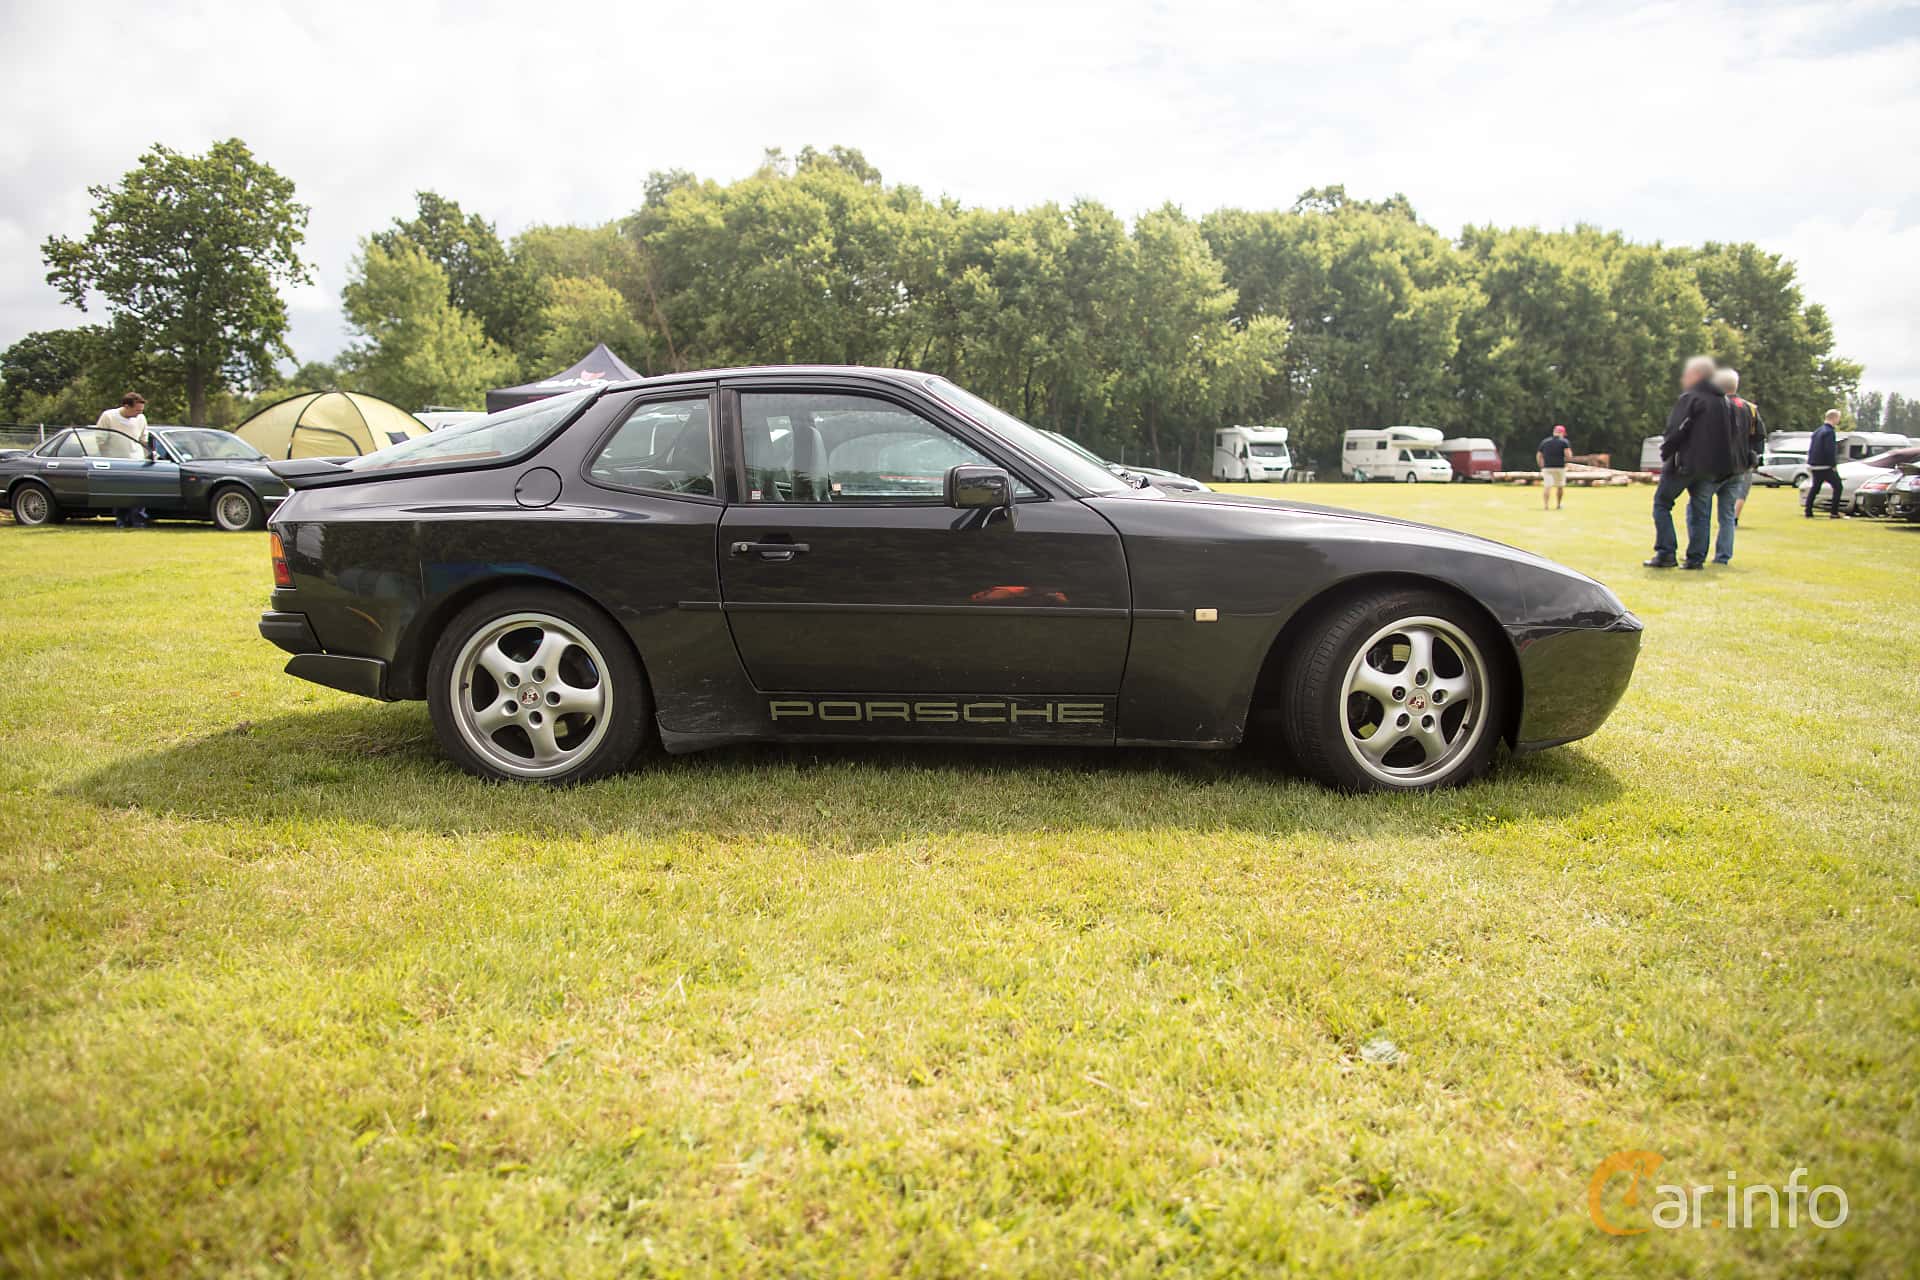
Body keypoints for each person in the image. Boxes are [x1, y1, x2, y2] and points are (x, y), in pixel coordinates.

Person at [1646, 356, 1740, 570]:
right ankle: (1696, 558)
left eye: (1687, 374)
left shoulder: (1691, 398)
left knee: (1662, 503)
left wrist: (1667, 453)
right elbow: (1732, 436)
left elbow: (1676, 429)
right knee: (1701, 512)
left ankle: (1666, 552)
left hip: (1685, 464)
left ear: (1697, 375)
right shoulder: (1724, 403)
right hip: (1711, 468)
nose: (1684, 378)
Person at [1710, 368, 1762, 564]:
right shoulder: (1750, 408)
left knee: (1699, 510)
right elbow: (1759, 438)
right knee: (1728, 514)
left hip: (1714, 467)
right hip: (1740, 467)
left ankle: (1696, 554)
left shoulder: (1713, 406)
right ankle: (1723, 556)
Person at [96, 392, 150, 529]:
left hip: (136, 462)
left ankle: (139, 522)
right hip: (116, 463)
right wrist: (106, 460)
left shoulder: (141, 418)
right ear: (126, 406)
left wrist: (147, 456)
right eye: (136, 410)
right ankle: (122, 521)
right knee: (120, 494)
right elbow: (100, 440)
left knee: (138, 494)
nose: (139, 413)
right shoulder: (108, 416)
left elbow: (143, 439)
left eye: (141, 411)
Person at [1804, 409, 1844, 518]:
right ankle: (1834, 512)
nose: (1838, 420)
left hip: (1815, 465)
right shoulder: (1830, 432)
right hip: (1825, 466)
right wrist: (1833, 465)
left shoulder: (1817, 431)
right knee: (1838, 486)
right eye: (1838, 418)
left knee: (1815, 488)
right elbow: (1829, 450)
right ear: (1834, 418)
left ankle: (1808, 511)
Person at [1535, 424, 1571, 510]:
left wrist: (1540, 464)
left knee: (1547, 486)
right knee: (1560, 486)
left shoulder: (1545, 442)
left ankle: (1546, 506)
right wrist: (1567, 461)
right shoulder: (1564, 442)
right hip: (1560, 467)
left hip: (1547, 467)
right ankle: (1558, 505)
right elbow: (1568, 455)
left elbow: (1539, 455)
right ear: (1562, 433)